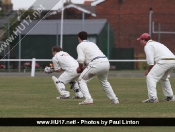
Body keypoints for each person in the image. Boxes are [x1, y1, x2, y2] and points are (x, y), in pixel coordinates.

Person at [76, 31, 119, 105]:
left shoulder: (80, 45)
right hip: (105, 62)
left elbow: (80, 60)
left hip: (96, 64)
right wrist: (84, 67)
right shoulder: (92, 43)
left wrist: (80, 68)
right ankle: (115, 100)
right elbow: (93, 58)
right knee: (104, 82)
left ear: (78, 38)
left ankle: (88, 99)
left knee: (81, 80)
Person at [137, 33, 175, 103]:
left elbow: (150, 62)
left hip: (164, 61)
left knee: (150, 76)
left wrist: (148, 71)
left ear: (144, 40)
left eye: (140, 40)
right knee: (164, 78)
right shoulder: (156, 43)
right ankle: (170, 96)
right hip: (172, 60)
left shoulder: (148, 46)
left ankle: (153, 98)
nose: (140, 42)